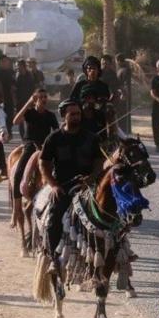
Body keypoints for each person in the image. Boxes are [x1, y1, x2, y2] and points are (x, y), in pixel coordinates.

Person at [39, 99, 103, 268]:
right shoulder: (54, 138)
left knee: (111, 214)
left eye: (78, 114)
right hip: (64, 188)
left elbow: (99, 162)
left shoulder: (91, 138)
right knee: (53, 218)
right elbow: (43, 164)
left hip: (88, 188)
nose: (76, 117)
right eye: (72, 114)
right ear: (63, 116)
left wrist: (91, 178)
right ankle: (53, 258)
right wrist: (53, 185)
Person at [11, 89, 59, 201]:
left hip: (45, 146)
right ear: (35, 100)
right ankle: (17, 203)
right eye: (40, 97)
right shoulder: (29, 112)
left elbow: (56, 131)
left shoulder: (50, 115)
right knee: (19, 170)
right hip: (30, 144)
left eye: (45, 97)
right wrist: (28, 103)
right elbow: (15, 121)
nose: (43, 99)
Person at [0, 55, 17, 141]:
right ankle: (1, 134)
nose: (7, 63)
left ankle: (8, 132)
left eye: (7, 61)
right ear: (1, 62)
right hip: (1, 99)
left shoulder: (10, 72)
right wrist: (2, 98)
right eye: (5, 61)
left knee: (10, 116)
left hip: (9, 98)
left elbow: (13, 85)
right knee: (1, 117)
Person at [14, 60, 37, 140]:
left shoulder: (29, 75)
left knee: (29, 119)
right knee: (20, 120)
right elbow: (14, 89)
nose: (17, 67)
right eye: (16, 66)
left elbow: (33, 87)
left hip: (29, 101)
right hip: (20, 102)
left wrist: (33, 99)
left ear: (23, 66)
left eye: (18, 66)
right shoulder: (17, 76)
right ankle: (23, 138)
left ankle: (29, 136)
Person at [116, 54, 133, 133]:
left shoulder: (126, 70)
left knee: (125, 114)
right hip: (120, 94)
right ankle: (122, 130)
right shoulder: (120, 70)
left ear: (119, 60)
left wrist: (125, 94)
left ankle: (126, 131)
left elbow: (127, 83)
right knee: (120, 113)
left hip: (124, 95)